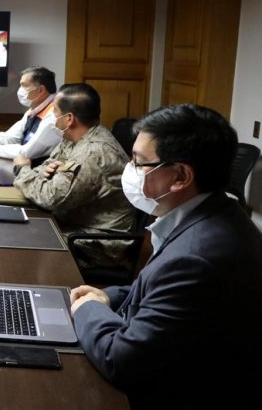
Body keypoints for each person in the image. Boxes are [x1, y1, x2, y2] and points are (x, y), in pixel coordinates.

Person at [70, 104, 262, 409]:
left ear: (181, 176)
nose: (129, 170)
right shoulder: (215, 212)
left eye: (139, 162)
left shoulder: (197, 258)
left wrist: (86, 309)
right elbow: (156, 290)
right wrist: (108, 298)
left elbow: (120, 360)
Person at [13, 83, 134, 269]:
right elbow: (48, 167)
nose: (53, 118)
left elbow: (50, 197)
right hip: (72, 224)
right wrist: (42, 173)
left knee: (18, 242)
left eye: (54, 112)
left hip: (95, 244)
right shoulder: (74, 138)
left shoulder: (94, 153)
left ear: (69, 118)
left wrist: (23, 170)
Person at [0, 66, 59, 163]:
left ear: (40, 90)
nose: (20, 90)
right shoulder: (35, 109)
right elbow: (10, 137)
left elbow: (27, 153)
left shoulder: (54, 114)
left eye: (24, 85)